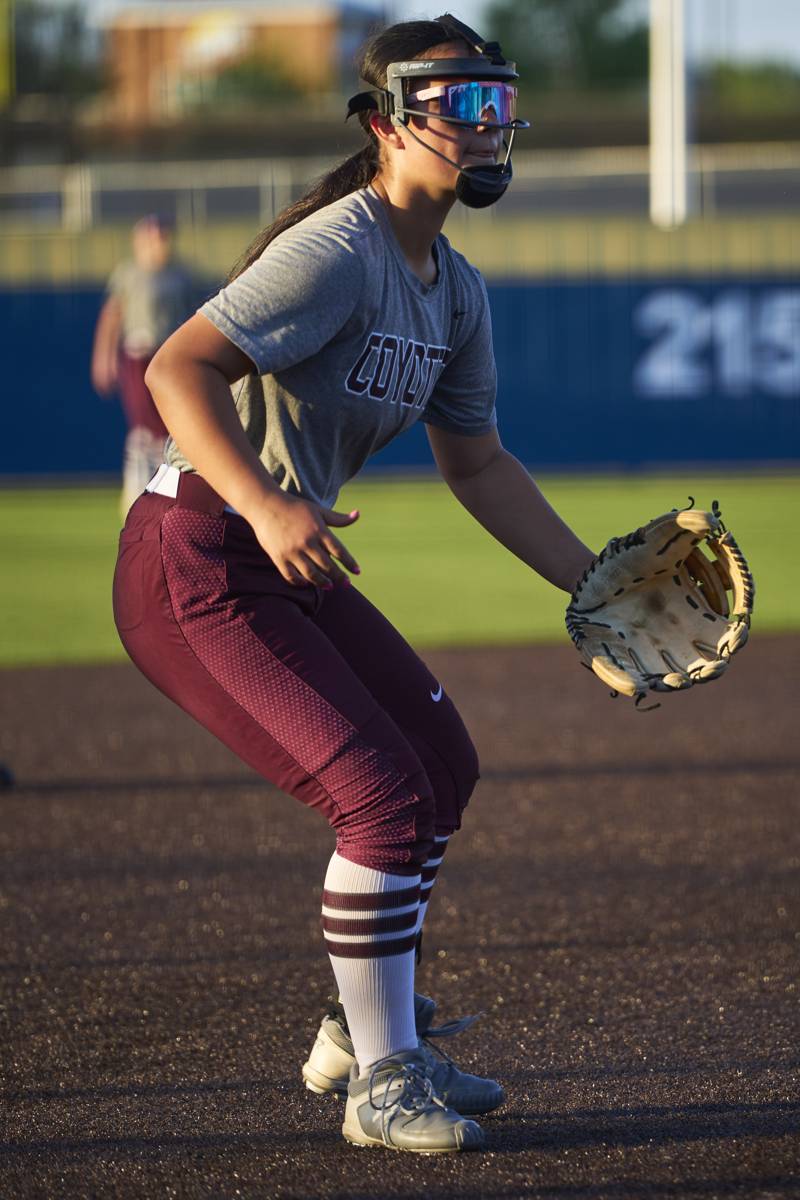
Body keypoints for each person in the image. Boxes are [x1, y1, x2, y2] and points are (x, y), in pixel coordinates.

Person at [112, 13, 595, 1153]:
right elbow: (179, 366)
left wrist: (592, 585)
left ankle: (366, 1023)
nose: (486, 124)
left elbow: (477, 463)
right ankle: (382, 1082)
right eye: (457, 102)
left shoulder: (454, 289)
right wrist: (263, 501)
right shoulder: (341, 247)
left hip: (279, 552)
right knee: (378, 794)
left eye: (497, 100)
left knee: (441, 765)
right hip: (197, 550)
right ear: (385, 123)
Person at [91, 214, 198, 516]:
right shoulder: (128, 273)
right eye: (152, 237)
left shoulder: (181, 275)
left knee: (167, 425)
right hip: (138, 354)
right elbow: (112, 316)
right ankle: (137, 490)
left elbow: (194, 319)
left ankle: (166, 489)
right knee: (144, 427)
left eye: (162, 236)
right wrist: (103, 357)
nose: (158, 243)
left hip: (169, 354)